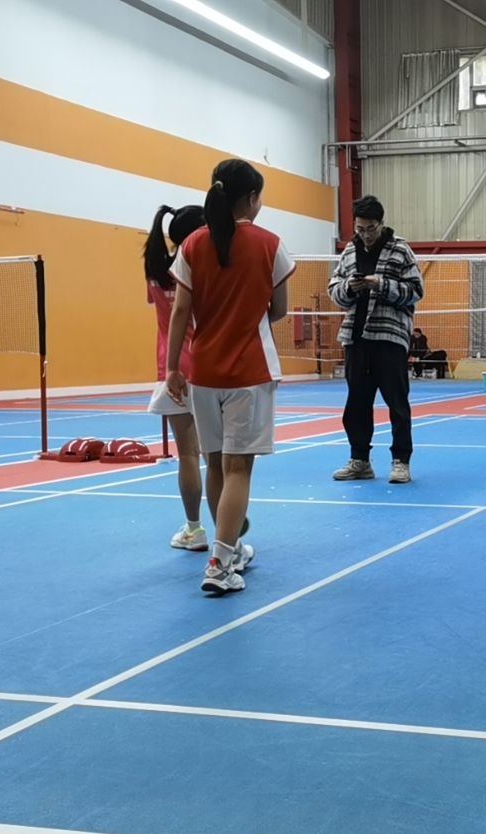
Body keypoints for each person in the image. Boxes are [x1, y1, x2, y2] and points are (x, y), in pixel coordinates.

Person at [166, 159, 291, 595]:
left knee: (216, 463)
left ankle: (230, 548)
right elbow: (278, 310)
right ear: (251, 198)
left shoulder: (191, 244)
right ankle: (219, 565)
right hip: (250, 371)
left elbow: (181, 311)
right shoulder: (270, 244)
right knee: (239, 468)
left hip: (202, 372)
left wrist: (172, 368)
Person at [327, 194, 425, 484]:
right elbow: (334, 290)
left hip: (389, 338)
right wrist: (350, 287)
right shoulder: (349, 251)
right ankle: (359, 460)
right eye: (360, 229)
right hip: (355, 338)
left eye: (371, 228)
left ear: (381, 223)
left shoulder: (401, 250)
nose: (366, 234)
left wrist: (380, 284)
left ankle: (401, 462)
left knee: (397, 403)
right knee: (356, 403)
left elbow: (416, 291)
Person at [144, 204, 209, 551]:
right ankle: (229, 533)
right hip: (207, 365)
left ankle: (194, 530)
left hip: (171, 368)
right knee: (216, 456)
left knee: (187, 455)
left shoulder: (155, 272)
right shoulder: (205, 269)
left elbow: (163, 311)